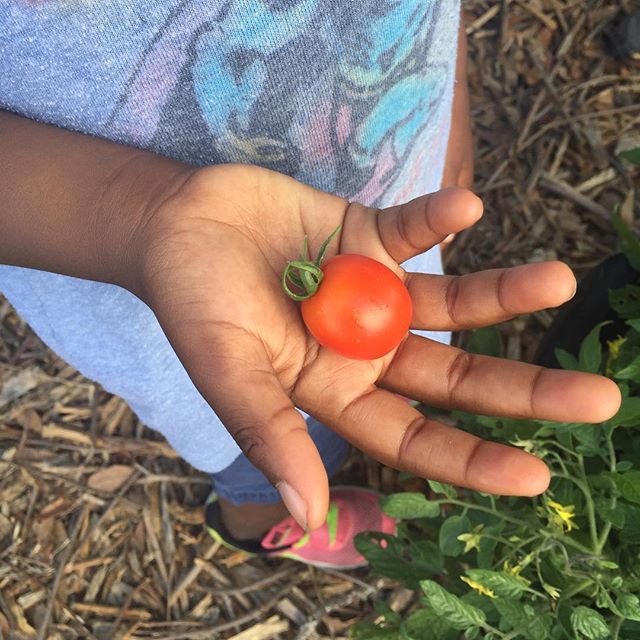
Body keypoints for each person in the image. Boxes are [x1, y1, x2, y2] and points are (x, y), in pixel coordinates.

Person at [0, 2, 620, 568]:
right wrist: (145, 215)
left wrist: (447, 70)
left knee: (369, 383)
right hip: (153, 303)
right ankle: (257, 520)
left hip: (378, 227)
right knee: (252, 443)